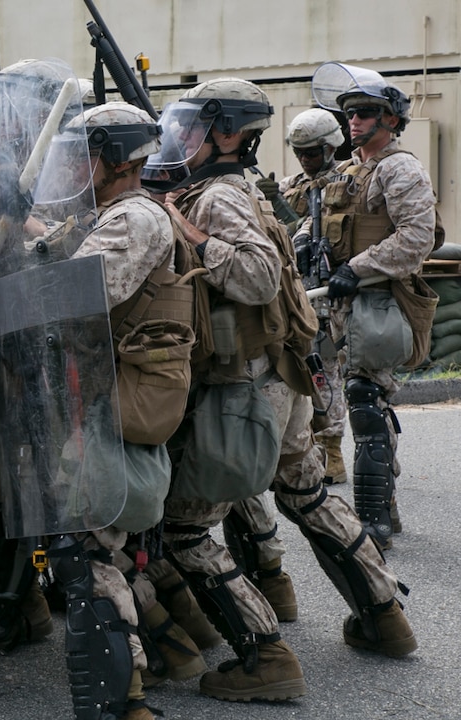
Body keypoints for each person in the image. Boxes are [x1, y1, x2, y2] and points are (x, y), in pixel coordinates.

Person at [149, 76, 417, 703]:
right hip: (279, 373)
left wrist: (190, 235)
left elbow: (259, 276)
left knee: (184, 529)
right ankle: (384, 617)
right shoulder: (233, 187)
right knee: (305, 492)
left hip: (245, 386)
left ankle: (265, 656)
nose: (181, 138)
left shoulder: (215, 200)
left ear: (228, 134)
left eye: (194, 127)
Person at [29, 101, 204, 719]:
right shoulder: (110, 216)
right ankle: (157, 662)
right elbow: (54, 253)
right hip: (101, 400)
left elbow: (77, 294)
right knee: (93, 548)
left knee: (89, 551)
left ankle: (122, 703)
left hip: (112, 404)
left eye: (80, 158)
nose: (71, 170)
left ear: (107, 161)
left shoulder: (133, 219)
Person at [306, 62, 439, 551]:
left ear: (391, 120)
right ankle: (384, 505)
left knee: (365, 403)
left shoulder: (399, 168)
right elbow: (318, 223)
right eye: (350, 114)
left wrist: (356, 268)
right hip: (337, 304)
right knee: (352, 398)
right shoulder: (348, 170)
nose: (354, 122)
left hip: (378, 299)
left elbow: (416, 239)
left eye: (366, 113)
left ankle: (375, 519)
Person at [257, 107, 351, 486]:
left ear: (331, 148)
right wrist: (268, 205)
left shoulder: (347, 184)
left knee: (328, 371)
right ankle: (307, 442)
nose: (305, 160)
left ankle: (332, 448)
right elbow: (283, 238)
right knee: (304, 369)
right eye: (300, 153)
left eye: (312, 152)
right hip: (299, 291)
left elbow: (323, 233)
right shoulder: (293, 185)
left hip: (334, 292)